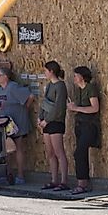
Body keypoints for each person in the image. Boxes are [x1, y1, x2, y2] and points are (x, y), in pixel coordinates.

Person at [0, 66, 34, 185]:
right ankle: (8, 174)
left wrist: (25, 108)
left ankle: (21, 176)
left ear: (5, 77)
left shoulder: (13, 87)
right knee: (7, 150)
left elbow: (30, 96)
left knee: (19, 148)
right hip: (6, 124)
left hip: (18, 122)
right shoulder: (1, 90)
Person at [66, 66, 100, 196]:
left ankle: (82, 184)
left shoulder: (90, 88)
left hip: (89, 124)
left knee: (79, 152)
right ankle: (82, 181)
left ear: (81, 77)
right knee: (80, 153)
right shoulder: (79, 90)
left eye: (76, 76)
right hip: (79, 124)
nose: (74, 78)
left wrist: (77, 108)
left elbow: (94, 108)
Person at [38, 61, 69, 191]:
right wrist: (40, 117)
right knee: (50, 152)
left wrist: (48, 120)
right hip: (46, 121)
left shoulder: (60, 86)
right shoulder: (49, 85)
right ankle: (54, 179)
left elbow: (59, 107)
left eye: (46, 71)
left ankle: (64, 181)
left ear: (51, 71)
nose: (45, 73)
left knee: (59, 151)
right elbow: (45, 102)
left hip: (56, 121)